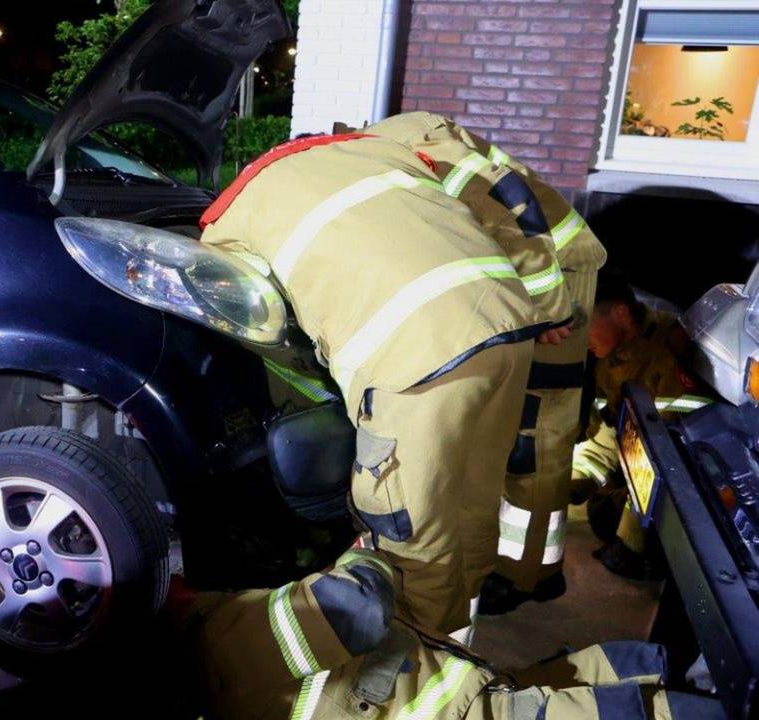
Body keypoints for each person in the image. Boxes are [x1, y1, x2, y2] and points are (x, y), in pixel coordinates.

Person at [199, 132, 554, 637]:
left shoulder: (230, 223)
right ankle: (468, 634)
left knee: (409, 531)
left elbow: (253, 325)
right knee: (473, 498)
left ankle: (427, 667)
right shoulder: (382, 150)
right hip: (508, 323)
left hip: (420, 355)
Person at [367, 112, 609, 616]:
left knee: (536, 439)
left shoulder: (411, 149)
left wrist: (546, 309)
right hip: (532, 268)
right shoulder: (391, 143)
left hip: (554, 273)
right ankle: (524, 563)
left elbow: (504, 208)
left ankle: (528, 576)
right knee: (517, 433)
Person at [176, 549, 724, 719]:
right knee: (612, 713)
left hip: (461, 691)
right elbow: (356, 607)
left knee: (591, 671)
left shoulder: (200, 655)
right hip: (458, 711)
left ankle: (691, 682)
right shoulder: (214, 641)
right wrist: (363, 552)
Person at [570, 272, 713, 579]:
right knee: (598, 511)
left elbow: (667, 456)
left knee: (612, 523)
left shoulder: (670, 353)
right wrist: (576, 478)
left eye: (586, 325)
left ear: (621, 314)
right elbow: (612, 425)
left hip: (685, 481)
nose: (580, 338)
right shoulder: (610, 355)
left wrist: (629, 539)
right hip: (637, 464)